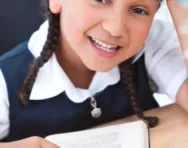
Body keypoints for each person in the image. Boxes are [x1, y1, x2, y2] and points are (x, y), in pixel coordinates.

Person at [0, 0, 187, 147]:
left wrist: (181, 10)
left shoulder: (152, 45)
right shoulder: (5, 79)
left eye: (139, 10)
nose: (115, 28)